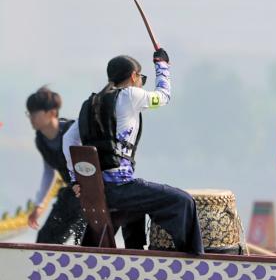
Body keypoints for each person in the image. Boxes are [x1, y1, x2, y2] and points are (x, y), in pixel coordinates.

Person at [63, 50, 204, 255]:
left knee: (136, 203)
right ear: (133, 76)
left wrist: (76, 180)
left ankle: (135, 252)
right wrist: (162, 65)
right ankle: (194, 259)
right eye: (141, 79)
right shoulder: (130, 94)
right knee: (183, 201)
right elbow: (163, 96)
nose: (141, 84)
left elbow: (68, 140)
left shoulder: (91, 104)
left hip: (100, 191)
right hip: (120, 189)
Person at [24, 86, 86, 244]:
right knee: (45, 240)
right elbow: (49, 172)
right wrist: (39, 205)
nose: (31, 118)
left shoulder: (73, 132)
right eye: (29, 113)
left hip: (91, 193)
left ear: (52, 113)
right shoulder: (41, 140)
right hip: (71, 192)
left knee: (84, 240)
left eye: (34, 113)